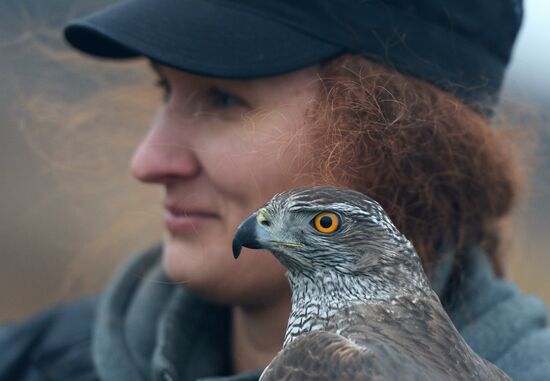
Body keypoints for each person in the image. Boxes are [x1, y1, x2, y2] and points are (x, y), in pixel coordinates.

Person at [1, 1, 549, 380]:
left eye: (222, 99)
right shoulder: (34, 361)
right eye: (165, 89)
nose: (148, 161)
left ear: (391, 141)